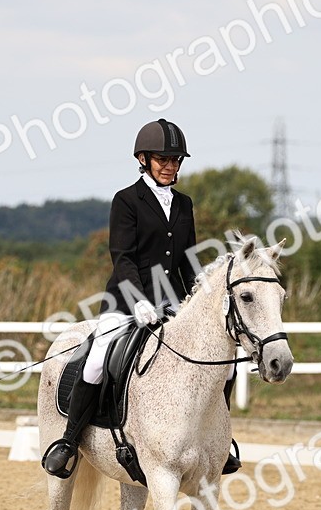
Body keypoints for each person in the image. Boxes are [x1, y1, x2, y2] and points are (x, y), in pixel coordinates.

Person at [42, 119, 241, 479]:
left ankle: (218, 441)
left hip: (174, 305)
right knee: (97, 360)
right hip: (125, 302)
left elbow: (188, 259)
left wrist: (201, 297)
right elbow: (123, 257)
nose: (170, 165)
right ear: (144, 159)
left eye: (176, 159)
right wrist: (138, 300)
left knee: (224, 364)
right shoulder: (126, 200)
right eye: (163, 159)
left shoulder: (183, 204)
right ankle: (70, 441)